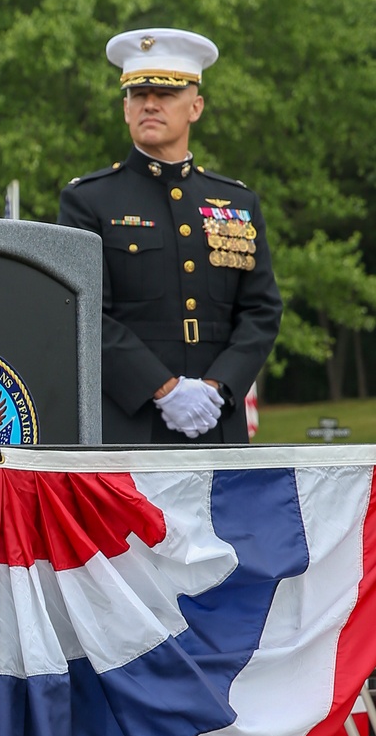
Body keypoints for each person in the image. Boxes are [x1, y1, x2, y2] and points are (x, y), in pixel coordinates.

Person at [58, 27, 282, 445]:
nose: (150, 105)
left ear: (195, 106)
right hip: (130, 425)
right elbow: (83, 312)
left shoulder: (236, 202)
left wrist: (219, 385)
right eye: (138, 95)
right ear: (125, 109)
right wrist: (163, 388)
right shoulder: (88, 201)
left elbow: (261, 310)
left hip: (218, 422)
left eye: (165, 94)